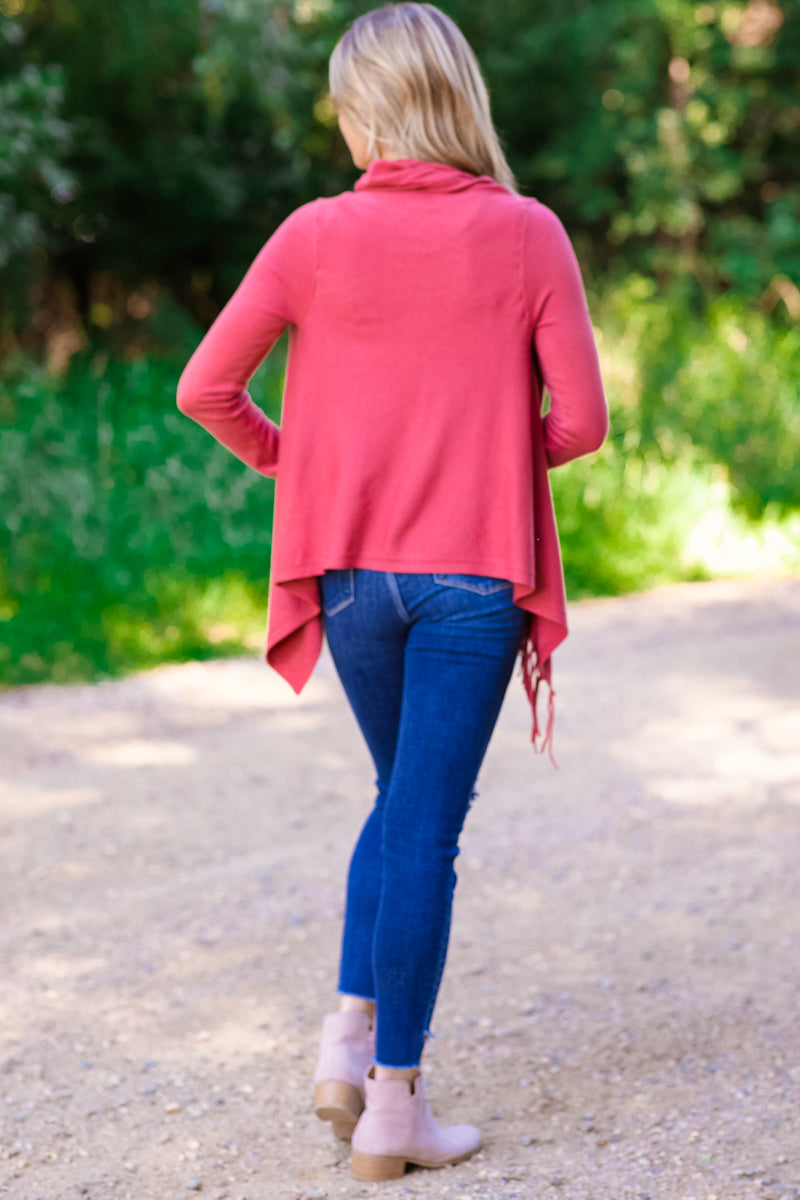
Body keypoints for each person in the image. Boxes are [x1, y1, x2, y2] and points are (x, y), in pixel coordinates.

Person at [176, 1, 608, 1182]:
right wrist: (484, 447)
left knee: (397, 801)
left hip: (354, 574)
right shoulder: (527, 233)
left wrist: (299, 461)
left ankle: (347, 1037)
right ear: (457, 98)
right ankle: (392, 1111)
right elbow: (580, 423)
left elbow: (205, 387)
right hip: (473, 578)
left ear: (366, 115)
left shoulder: (315, 233)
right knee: (422, 821)